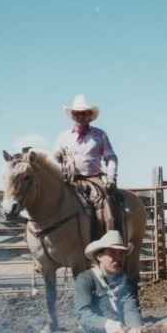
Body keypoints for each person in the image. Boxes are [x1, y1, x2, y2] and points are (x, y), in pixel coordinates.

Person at [74, 230, 167, 333]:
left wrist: (135, 328)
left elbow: (131, 309)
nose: (119, 258)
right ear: (99, 256)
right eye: (113, 253)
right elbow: (82, 314)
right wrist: (106, 324)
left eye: (121, 254)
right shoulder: (85, 279)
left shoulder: (126, 281)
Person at [54, 94, 119, 232]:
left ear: (90, 116)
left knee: (105, 206)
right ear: (72, 116)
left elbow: (111, 158)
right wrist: (58, 158)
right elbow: (55, 160)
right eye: (77, 114)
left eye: (84, 114)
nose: (81, 117)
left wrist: (111, 178)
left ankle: (110, 241)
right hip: (69, 180)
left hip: (94, 179)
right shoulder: (63, 137)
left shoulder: (100, 135)